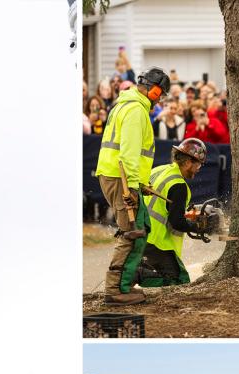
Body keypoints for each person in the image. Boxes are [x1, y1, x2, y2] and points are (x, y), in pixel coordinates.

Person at [95, 67, 170, 306]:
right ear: (155, 90)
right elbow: (128, 154)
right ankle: (115, 290)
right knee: (131, 233)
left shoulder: (124, 104)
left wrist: (142, 184)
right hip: (122, 180)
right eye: (161, 94)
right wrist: (132, 188)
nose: (161, 99)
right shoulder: (136, 110)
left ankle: (122, 285)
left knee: (137, 230)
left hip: (118, 177)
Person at [136, 139, 217, 287]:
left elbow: (164, 207)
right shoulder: (179, 186)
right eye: (198, 164)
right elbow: (177, 222)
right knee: (179, 281)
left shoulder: (159, 170)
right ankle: (137, 274)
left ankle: (139, 270)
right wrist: (199, 226)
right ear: (187, 162)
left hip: (141, 233)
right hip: (157, 242)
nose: (199, 168)